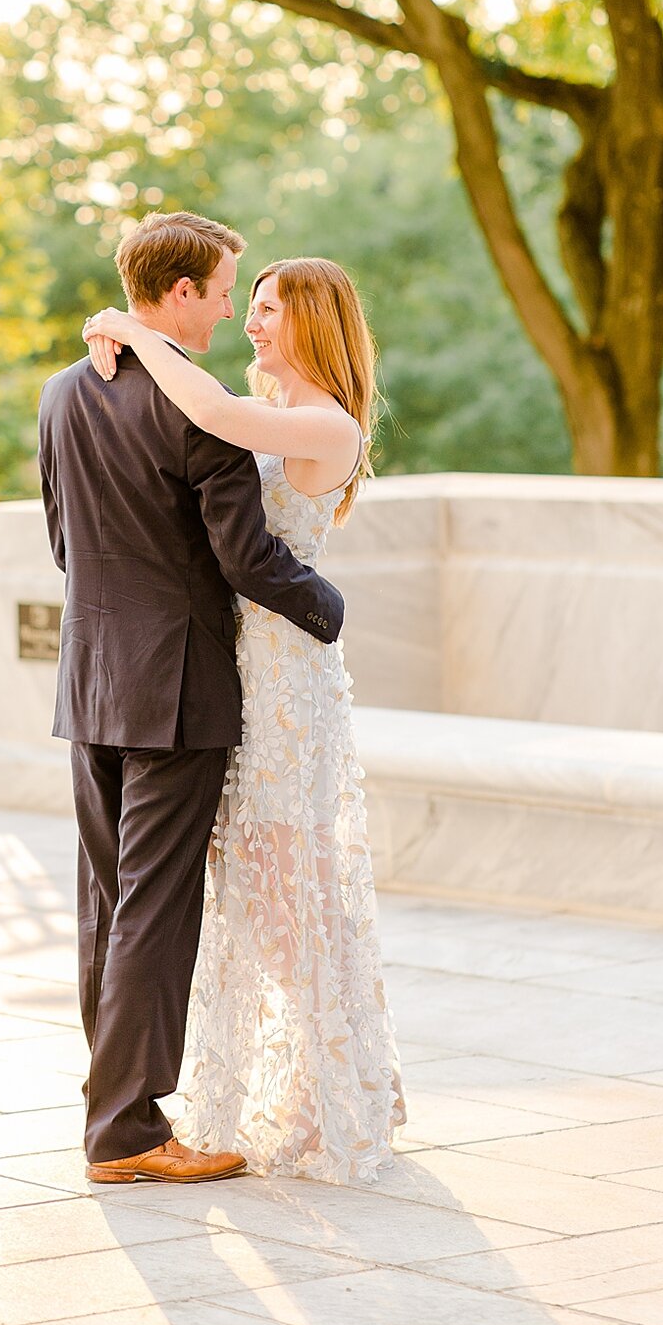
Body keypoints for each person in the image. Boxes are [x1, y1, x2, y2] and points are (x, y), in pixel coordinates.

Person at [82, 253, 405, 1184]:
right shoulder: (272, 411)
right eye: (248, 305)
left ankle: (331, 1087)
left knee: (284, 888)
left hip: (287, 683)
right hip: (234, 672)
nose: (252, 324)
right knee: (261, 890)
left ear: (315, 323)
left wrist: (136, 332)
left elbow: (216, 418)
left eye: (270, 312)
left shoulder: (322, 423)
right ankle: (321, 1074)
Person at [37, 211, 347, 1184]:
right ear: (178, 294)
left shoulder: (60, 392)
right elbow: (243, 555)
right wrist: (325, 606)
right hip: (177, 686)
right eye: (220, 290)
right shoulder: (199, 407)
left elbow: (61, 539)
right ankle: (126, 1131)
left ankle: (116, 1112)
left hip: (89, 673)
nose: (225, 308)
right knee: (155, 910)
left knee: (107, 903)